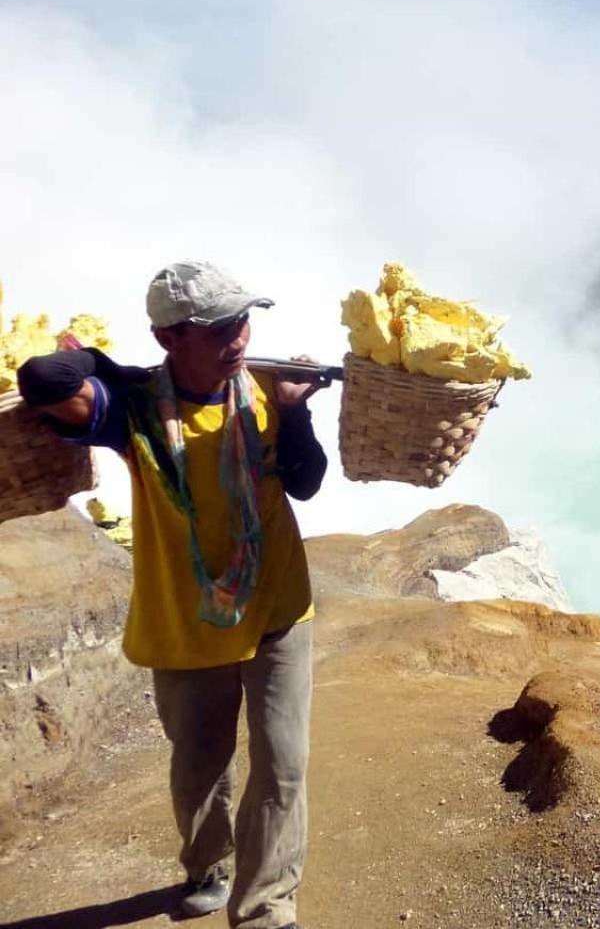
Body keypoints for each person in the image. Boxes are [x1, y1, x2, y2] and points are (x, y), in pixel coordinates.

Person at [18, 261, 329, 929]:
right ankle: (206, 863)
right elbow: (44, 381)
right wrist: (108, 367)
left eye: (243, 319)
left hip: (277, 609)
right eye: (218, 327)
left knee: (284, 767)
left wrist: (297, 413)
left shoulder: (268, 391)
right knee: (199, 772)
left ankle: (266, 907)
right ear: (170, 337)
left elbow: (305, 485)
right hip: (186, 621)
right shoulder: (132, 409)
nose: (239, 338)